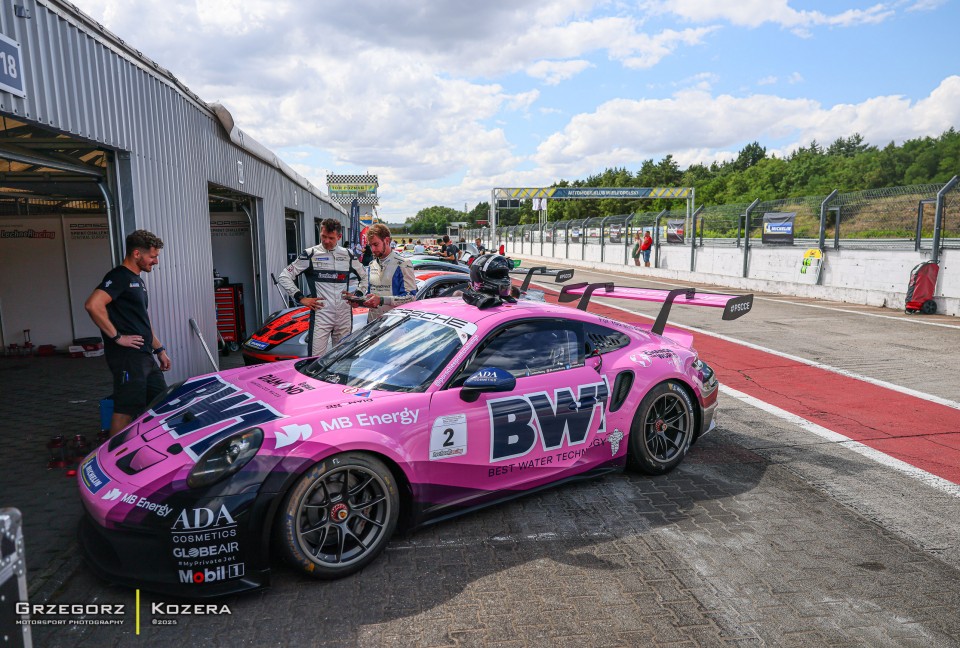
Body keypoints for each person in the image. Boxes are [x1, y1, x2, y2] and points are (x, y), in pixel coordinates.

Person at [84, 230, 170, 436]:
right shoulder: (119, 277)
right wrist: (117, 337)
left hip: (145, 357)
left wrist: (160, 350)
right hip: (128, 358)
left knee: (161, 403)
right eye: (153, 256)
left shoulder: (137, 280)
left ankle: (148, 447)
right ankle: (114, 458)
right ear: (137, 254)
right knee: (125, 410)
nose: (156, 261)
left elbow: (143, 319)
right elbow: (93, 305)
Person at [278, 218, 362, 357]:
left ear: (339, 237)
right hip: (321, 314)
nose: (327, 241)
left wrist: (357, 295)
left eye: (331, 238)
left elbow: (364, 277)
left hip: (344, 314)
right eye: (323, 236)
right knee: (316, 358)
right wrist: (301, 298)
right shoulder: (310, 254)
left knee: (342, 358)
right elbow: (284, 276)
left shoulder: (348, 255)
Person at [346, 223, 417, 322]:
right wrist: (358, 301)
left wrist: (382, 300)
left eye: (376, 244)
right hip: (372, 323)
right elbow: (372, 297)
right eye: (370, 245)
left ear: (387, 241)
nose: (373, 249)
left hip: (394, 325)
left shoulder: (403, 264)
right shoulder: (371, 264)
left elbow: (411, 298)